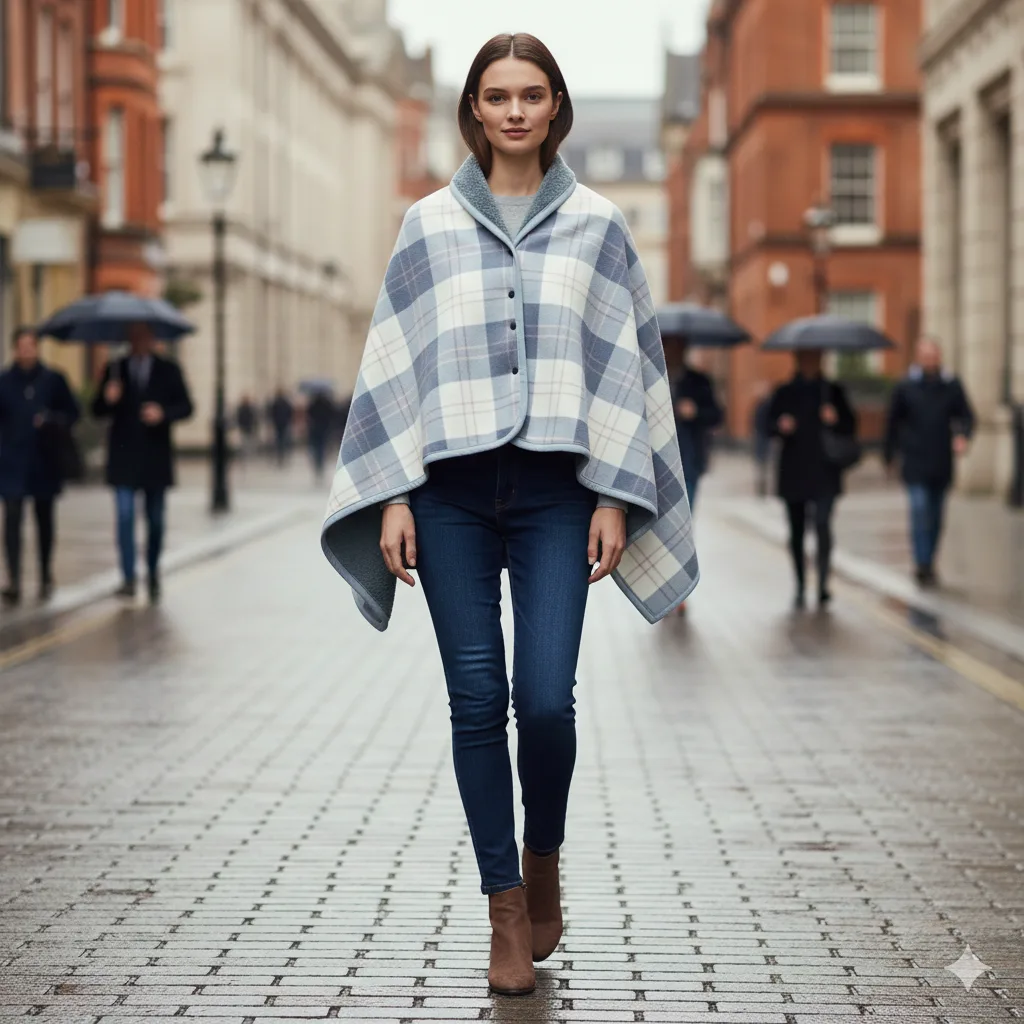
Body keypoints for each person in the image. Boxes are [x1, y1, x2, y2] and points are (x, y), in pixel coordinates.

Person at [319, 34, 697, 997]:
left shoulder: (602, 226)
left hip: (556, 494)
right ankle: (503, 910)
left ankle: (545, 857)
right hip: (446, 494)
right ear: (475, 110)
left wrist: (617, 491)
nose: (516, 111)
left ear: (556, 106)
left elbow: (625, 363)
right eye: (498, 96)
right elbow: (396, 366)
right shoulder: (428, 225)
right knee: (476, 701)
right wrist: (394, 494)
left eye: (533, 94)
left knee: (545, 700)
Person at [92, 323, 194, 603]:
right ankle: (127, 577)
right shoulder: (116, 369)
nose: (138, 340)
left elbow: (187, 407)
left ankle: (152, 571)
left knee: (155, 521)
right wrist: (107, 397)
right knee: (125, 516)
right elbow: (97, 409)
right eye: (133, 335)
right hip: (123, 457)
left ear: (151, 338)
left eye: (143, 335)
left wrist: (163, 413)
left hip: (155, 458)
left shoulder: (168, 370)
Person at [769, 349, 856, 610]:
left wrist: (835, 419)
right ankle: (800, 584)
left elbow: (851, 426)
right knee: (796, 532)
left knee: (822, 524)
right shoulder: (784, 392)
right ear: (797, 359)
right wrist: (780, 425)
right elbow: (767, 425)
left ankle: (822, 584)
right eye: (806, 357)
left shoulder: (833, 392)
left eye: (815, 357)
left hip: (825, 471)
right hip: (794, 472)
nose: (811, 361)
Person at [884, 337, 974, 586]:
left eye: (933, 355)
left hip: (941, 460)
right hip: (914, 460)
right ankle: (922, 563)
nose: (929, 359)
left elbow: (966, 416)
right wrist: (889, 455)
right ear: (917, 357)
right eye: (924, 355)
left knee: (935, 515)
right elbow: (892, 423)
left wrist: (962, 436)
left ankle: (930, 559)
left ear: (939, 357)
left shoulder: (951, 385)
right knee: (919, 509)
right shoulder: (905, 387)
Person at [0, 326, 80, 605]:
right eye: (21, 346)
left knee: (44, 520)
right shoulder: (4, 381)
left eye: (30, 346)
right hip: (11, 463)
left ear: (37, 348)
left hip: (45, 461)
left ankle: (45, 574)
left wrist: (51, 420)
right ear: (15, 349)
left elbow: (73, 414)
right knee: (11, 520)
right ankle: (14, 580)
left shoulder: (53, 380)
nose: (26, 351)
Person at [671, 341, 723, 509]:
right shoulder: (650, 378)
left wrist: (695, 412)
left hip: (689, 460)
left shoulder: (699, 381)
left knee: (685, 516)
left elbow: (716, 415)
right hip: (656, 462)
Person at [305, 390, 335, 479]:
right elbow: (332, 414)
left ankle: (317, 462)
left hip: (315, 429)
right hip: (325, 429)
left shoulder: (313, 404)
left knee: (316, 447)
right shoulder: (327, 403)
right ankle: (321, 463)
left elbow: (309, 415)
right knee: (322, 446)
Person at [751, 381, 773, 498]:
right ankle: (760, 486)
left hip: (766, 437)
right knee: (760, 463)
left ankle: (764, 487)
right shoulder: (758, 405)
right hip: (760, 437)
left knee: (766, 463)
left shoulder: (769, 405)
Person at [268, 389, 293, 467]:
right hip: (284, 423)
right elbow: (290, 412)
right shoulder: (285, 402)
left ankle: (281, 455)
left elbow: (272, 413)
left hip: (278, 424)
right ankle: (284, 454)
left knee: (279, 440)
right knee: (284, 439)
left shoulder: (275, 403)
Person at [236, 395, 259, 460]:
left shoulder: (249, 409)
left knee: (249, 441)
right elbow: (239, 418)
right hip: (244, 427)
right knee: (244, 441)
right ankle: (245, 453)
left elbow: (253, 418)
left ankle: (249, 453)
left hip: (249, 427)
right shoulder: (241, 409)